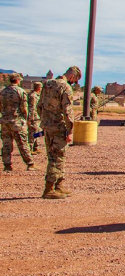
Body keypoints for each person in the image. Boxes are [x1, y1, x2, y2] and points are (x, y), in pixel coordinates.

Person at [39, 66, 78, 199]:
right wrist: (70, 130)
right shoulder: (65, 87)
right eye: (75, 80)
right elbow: (67, 111)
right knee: (57, 157)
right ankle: (49, 189)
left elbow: (40, 106)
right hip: (59, 126)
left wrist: (45, 121)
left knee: (53, 154)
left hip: (48, 126)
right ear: (72, 76)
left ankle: (59, 186)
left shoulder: (47, 84)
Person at [1, 73, 34, 172]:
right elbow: (24, 108)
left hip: (5, 121)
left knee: (6, 144)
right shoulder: (20, 91)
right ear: (17, 81)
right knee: (22, 143)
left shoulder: (2, 92)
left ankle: (7, 165)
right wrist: (26, 120)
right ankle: (30, 163)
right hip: (17, 121)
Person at [27, 81, 42, 154]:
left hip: (37, 117)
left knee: (37, 132)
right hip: (34, 118)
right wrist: (30, 119)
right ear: (39, 88)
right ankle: (29, 148)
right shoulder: (33, 96)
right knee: (32, 133)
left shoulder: (36, 95)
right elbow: (31, 108)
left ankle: (35, 147)